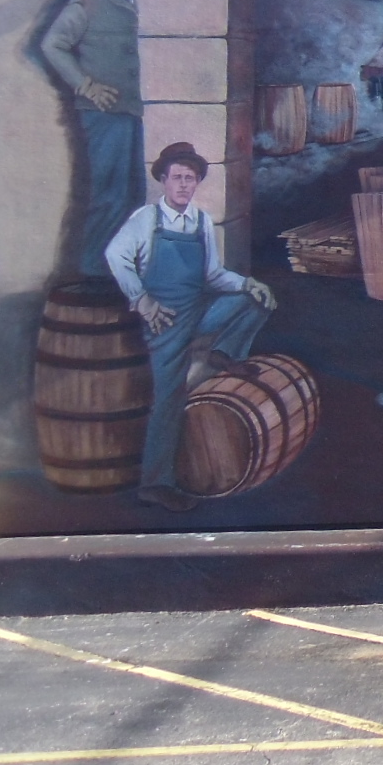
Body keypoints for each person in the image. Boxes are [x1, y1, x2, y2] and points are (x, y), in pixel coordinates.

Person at [105, 142, 276, 513]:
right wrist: (143, 301)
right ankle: (155, 483)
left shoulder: (200, 221)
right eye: (177, 177)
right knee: (169, 399)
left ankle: (224, 353)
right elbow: (115, 256)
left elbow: (212, 275)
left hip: (198, 311)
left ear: (197, 182)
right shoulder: (146, 220)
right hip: (164, 321)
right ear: (164, 181)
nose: (184, 184)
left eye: (190, 178)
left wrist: (247, 283)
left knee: (256, 300)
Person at [40, 0, 145, 277]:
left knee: (135, 194)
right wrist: (85, 85)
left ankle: (124, 270)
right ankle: (95, 272)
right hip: (105, 112)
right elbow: (52, 44)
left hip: (136, 111)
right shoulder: (89, 0)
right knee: (109, 194)